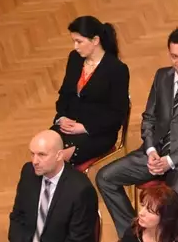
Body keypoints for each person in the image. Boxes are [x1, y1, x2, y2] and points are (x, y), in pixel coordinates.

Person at [96, 27, 178, 242]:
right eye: (174, 56)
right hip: (155, 154)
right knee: (105, 177)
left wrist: (170, 161)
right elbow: (149, 118)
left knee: (166, 207)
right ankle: (132, 237)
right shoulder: (161, 76)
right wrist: (151, 150)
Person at [50, 16, 130, 165]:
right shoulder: (75, 58)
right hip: (69, 125)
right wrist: (62, 118)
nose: (75, 46)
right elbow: (65, 94)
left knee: (55, 160)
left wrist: (84, 128)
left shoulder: (117, 69)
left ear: (95, 40)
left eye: (79, 41)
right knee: (42, 149)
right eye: (73, 41)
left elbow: (117, 115)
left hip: (97, 132)